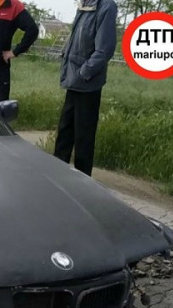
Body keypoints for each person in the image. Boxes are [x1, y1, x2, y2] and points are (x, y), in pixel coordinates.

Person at [53, 0, 118, 177]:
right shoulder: (84, 5)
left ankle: (82, 181)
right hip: (73, 81)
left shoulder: (106, 6)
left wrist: (84, 72)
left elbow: (104, 49)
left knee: (84, 138)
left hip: (88, 84)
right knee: (64, 133)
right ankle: (57, 175)